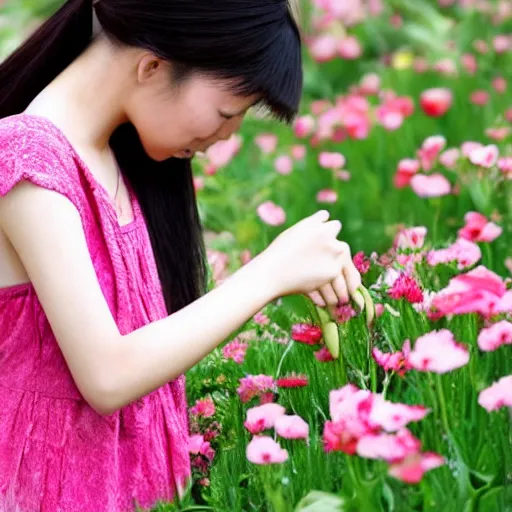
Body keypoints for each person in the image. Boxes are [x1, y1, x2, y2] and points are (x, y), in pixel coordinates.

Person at [0, 0, 362, 510]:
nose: (226, 136)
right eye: (226, 112)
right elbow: (107, 376)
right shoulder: (27, 158)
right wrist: (271, 272)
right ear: (153, 65)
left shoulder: (113, 158)